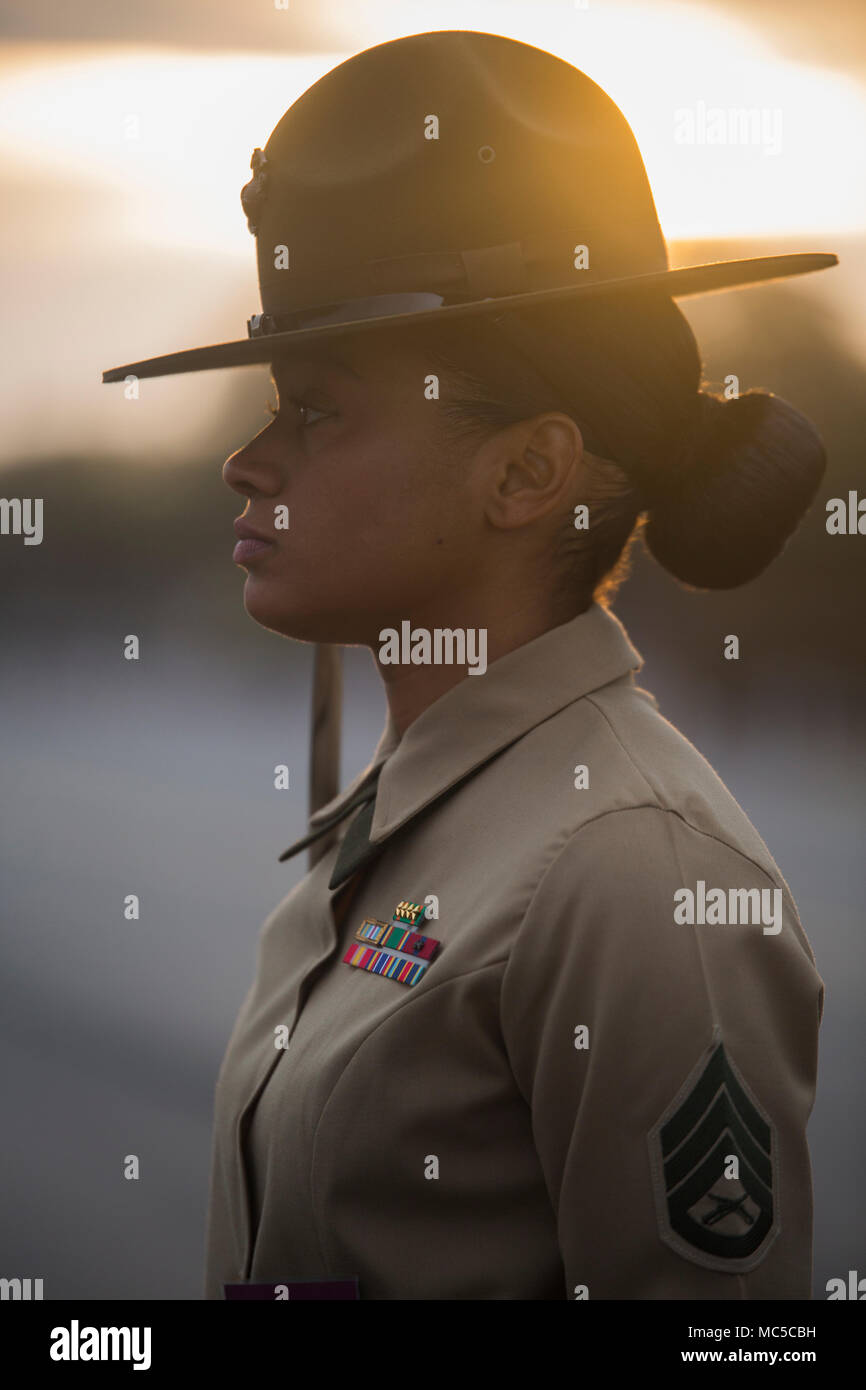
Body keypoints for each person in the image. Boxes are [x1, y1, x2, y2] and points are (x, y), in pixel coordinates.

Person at [102, 30, 834, 1300]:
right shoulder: (421, 810)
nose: (249, 460)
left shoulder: (636, 871)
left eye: (317, 407)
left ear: (525, 473)